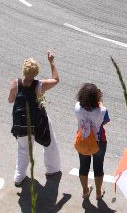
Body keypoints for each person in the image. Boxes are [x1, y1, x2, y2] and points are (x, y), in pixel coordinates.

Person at [8, 53, 62, 186]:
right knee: (49, 143)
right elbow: (56, 79)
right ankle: (52, 169)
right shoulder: (40, 85)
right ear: (36, 72)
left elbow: (10, 100)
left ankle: (19, 177)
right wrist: (51, 62)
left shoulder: (16, 83)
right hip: (38, 122)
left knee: (23, 149)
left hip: (21, 124)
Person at [73, 82, 110, 202]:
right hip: (98, 142)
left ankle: (85, 191)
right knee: (98, 167)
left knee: (83, 167)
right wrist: (100, 100)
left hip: (83, 141)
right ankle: (99, 192)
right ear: (96, 97)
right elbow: (105, 121)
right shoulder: (102, 111)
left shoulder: (77, 107)